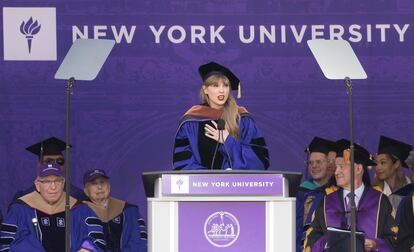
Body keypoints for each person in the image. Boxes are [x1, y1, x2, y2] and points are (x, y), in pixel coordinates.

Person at [304, 139, 398, 252]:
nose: (336, 172)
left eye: (341, 166)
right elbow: (311, 238)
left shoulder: (380, 201)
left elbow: (394, 239)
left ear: (358, 169)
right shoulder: (326, 202)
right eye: (336, 167)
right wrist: (328, 242)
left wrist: (375, 245)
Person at [173, 62, 269, 170]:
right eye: (215, 85)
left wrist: (227, 141)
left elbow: (259, 161)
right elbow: (183, 164)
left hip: (238, 185)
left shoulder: (242, 119)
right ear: (205, 89)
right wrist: (213, 180)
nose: (222, 90)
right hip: (201, 185)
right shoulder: (191, 122)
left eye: (226, 85)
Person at [0, 163, 105, 251]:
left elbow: (97, 239)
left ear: (63, 183)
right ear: (37, 185)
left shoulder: (81, 209)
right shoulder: (20, 210)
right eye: (46, 181)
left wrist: (86, 249)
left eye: (57, 181)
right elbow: (6, 243)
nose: (53, 187)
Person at [9, 136, 86, 208]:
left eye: (59, 161)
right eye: (49, 161)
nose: (55, 165)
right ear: (39, 165)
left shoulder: (77, 196)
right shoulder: (23, 197)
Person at [82, 169, 147, 252]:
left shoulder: (129, 211)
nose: (99, 187)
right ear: (86, 191)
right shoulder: (79, 213)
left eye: (102, 182)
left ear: (109, 187)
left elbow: (139, 241)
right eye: (94, 184)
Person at [296, 136, 336, 252]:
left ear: (329, 163)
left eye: (318, 162)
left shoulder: (335, 193)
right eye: (310, 163)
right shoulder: (300, 192)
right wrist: (304, 216)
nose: (314, 166)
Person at [373, 135, 412, 210]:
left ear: (396, 164)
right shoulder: (374, 192)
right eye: (376, 163)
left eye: (383, 163)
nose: (378, 167)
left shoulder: (409, 189)